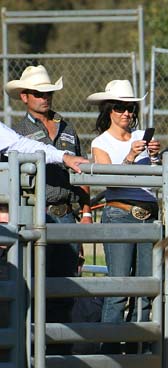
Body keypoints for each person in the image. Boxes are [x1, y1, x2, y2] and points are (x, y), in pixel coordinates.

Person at [6, 65, 92, 328]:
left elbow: (81, 173)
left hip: (66, 213)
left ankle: (59, 348)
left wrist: (86, 212)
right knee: (34, 279)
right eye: (38, 93)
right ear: (24, 97)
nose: (45, 98)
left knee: (67, 281)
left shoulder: (67, 128)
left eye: (48, 93)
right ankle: (35, 343)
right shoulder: (17, 132)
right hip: (34, 213)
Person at [87, 80, 161, 330]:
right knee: (117, 289)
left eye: (130, 108)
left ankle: (135, 353)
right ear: (108, 110)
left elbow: (157, 176)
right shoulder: (100, 143)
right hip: (120, 213)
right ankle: (110, 356)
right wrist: (130, 157)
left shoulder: (142, 137)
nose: (127, 113)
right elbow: (110, 182)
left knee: (144, 290)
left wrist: (153, 157)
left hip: (148, 215)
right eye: (120, 107)